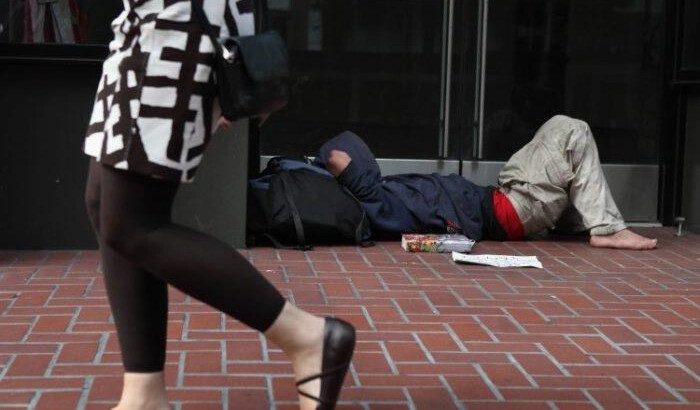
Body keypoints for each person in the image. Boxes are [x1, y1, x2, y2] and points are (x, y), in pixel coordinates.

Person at [82, 1, 355, 409]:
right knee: (106, 203)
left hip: (175, 25)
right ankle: (144, 393)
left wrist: (226, 41)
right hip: (144, 26)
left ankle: (308, 338)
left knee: (132, 223)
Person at [316, 115, 657, 250]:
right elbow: (336, 158)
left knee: (553, 137)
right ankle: (606, 228)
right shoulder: (372, 197)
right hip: (511, 210)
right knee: (571, 129)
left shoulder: (378, 196)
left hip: (504, 198)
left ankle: (584, 220)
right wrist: (320, 170)